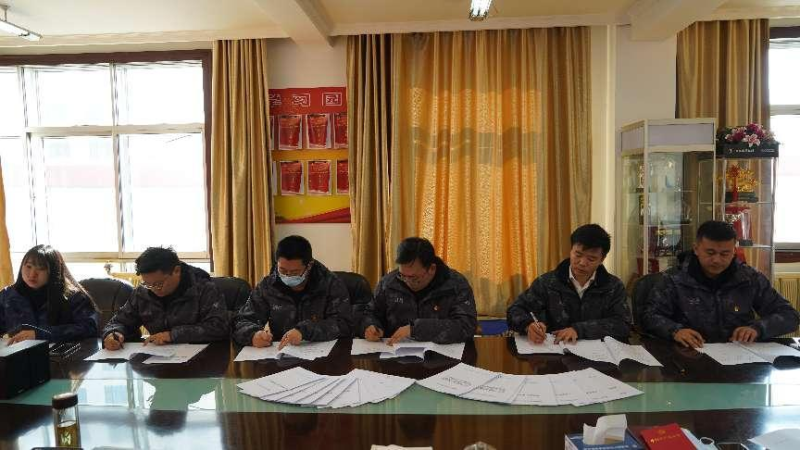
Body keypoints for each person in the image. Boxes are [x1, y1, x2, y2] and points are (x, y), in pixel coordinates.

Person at [641, 220, 800, 347]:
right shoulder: (674, 279)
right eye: (710, 253)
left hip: (739, 356)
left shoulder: (749, 278)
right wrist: (675, 331)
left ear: (734, 251)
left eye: (725, 254)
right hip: (689, 355)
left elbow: (790, 316)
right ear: (696, 249)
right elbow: (649, 317)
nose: (717, 260)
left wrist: (757, 329)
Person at [507, 224, 631, 344]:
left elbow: (623, 324)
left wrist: (579, 330)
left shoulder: (613, 286)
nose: (582, 263)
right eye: (578, 255)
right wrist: (528, 325)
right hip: (554, 351)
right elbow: (515, 310)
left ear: (602, 259)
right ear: (570, 250)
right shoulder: (547, 283)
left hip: (598, 354)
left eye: (591, 259)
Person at [232, 235, 352, 349]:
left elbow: (344, 324)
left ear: (309, 265)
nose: (288, 276)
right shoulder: (267, 286)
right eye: (282, 270)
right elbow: (241, 321)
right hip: (281, 354)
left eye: (294, 272)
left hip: (323, 354)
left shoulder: (330, 284)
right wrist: (253, 335)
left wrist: (305, 331)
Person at [102, 246, 228, 349]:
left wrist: (173, 335)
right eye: (148, 284)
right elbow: (118, 322)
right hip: (158, 358)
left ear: (176, 271)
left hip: (202, 360)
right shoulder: (142, 293)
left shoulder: (203, 288)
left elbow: (219, 327)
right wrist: (114, 333)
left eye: (159, 284)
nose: (154, 289)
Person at [361, 237, 477, 345]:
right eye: (402, 275)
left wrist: (416, 329)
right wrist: (370, 326)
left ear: (431, 269)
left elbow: (466, 327)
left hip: (441, 356)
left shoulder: (455, 285)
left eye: (413, 277)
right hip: (395, 354)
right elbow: (370, 313)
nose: (406, 281)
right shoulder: (388, 283)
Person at [0, 245, 99, 343]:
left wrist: (39, 335)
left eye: (41, 268)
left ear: (54, 271)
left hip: (61, 352)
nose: (32, 274)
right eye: (29, 266)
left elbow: (89, 327)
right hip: (19, 351)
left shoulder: (74, 297)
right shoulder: (7, 295)